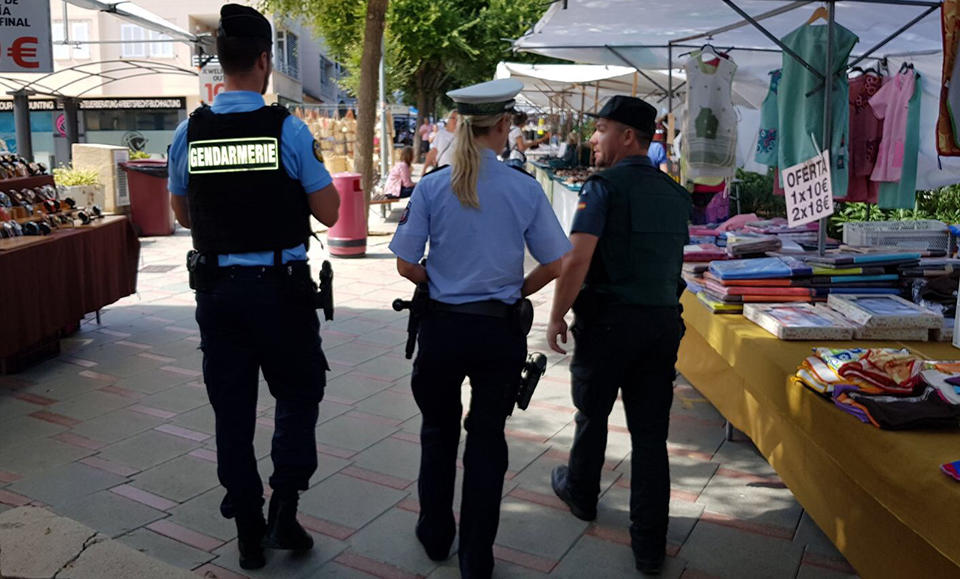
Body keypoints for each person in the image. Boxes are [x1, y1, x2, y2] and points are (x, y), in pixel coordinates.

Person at [167, 4, 340, 571]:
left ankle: (246, 531)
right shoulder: (288, 129)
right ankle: (284, 511)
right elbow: (331, 212)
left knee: (232, 413)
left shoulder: (188, 132)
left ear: (222, 62)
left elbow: (183, 214)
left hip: (218, 296)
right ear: (265, 61)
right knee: (297, 395)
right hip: (281, 295)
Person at [389, 78, 572, 579]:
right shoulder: (524, 188)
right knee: (488, 440)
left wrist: (439, 278)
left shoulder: (431, 187)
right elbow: (558, 262)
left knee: (437, 432)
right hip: (499, 333)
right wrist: (518, 290)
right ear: (504, 126)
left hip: (443, 330)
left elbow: (405, 265)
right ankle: (476, 555)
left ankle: (434, 535)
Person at [545, 95, 692, 575]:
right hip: (662, 325)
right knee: (651, 437)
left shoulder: (603, 188)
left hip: (609, 324)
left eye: (601, 128)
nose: (592, 138)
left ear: (628, 136)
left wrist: (555, 314)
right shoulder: (675, 194)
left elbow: (576, 258)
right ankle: (649, 545)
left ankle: (582, 494)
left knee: (593, 414)